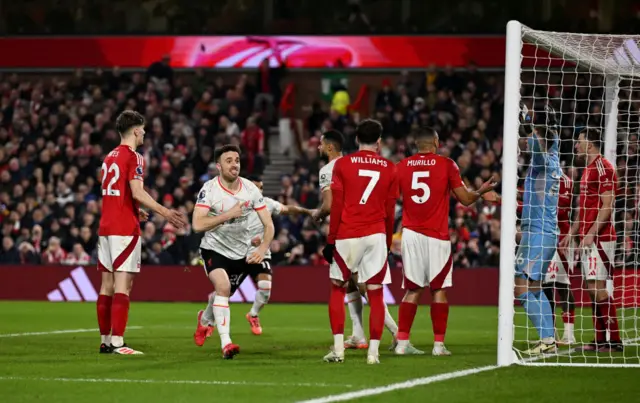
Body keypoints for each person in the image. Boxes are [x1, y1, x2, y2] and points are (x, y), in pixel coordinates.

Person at [395, 127, 497, 356]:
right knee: (438, 288)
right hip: (436, 235)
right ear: (435, 142)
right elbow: (466, 199)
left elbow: (391, 197)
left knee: (412, 289)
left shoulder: (401, 166)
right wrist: (481, 191)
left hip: (410, 233)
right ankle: (438, 346)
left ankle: (402, 343)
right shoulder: (446, 164)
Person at [97, 110, 188, 355]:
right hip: (124, 229)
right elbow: (137, 192)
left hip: (106, 226)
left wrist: (134, 210)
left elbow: (117, 193)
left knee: (106, 286)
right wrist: (165, 212)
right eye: (143, 129)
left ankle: (106, 340)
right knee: (122, 286)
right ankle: (118, 342)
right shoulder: (134, 156)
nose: (145, 133)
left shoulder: (109, 156)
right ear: (136, 130)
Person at [313, 129, 399, 351]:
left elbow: (330, 204)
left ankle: (396, 332)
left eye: (321, 144)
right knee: (352, 283)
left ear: (330, 147)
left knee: (359, 284)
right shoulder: (357, 164)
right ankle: (358, 335)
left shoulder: (329, 170)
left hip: (346, 231)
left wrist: (318, 214)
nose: (318, 148)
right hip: (370, 230)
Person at [191, 145, 275, 360]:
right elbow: (197, 224)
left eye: (236, 160)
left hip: (242, 251)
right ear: (219, 166)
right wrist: (227, 215)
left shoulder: (250, 189)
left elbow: (269, 224)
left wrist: (263, 248)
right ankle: (226, 343)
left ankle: (204, 320)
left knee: (225, 294)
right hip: (214, 248)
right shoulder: (209, 190)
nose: (234, 164)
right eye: (228, 160)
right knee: (223, 286)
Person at [560, 128, 622, 352]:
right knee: (590, 288)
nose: (576, 146)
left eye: (580, 142)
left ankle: (614, 341)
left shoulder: (604, 168)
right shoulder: (587, 170)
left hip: (600, 238)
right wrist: (572, 232)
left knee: (598, 288)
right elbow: (582, 208)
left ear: (591, 144)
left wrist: (591, 233)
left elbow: (608, 206)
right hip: (587, 237)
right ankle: (600, 340)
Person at [515, 104, 562, 356]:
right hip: (543, 233)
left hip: (538, 235)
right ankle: (548, 339)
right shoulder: (552, 161)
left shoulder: (545, 161)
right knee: (535, 287)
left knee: (521, 289)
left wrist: (527, 124)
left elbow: (534, 144)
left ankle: (547, 338)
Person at [542, 172, 577, 345]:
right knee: (545, 286)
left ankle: (569, 334)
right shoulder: (537, 178)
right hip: (544, 238)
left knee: (563, 285)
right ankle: (551, 333)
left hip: (563, 238)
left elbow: (565, 207)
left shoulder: (567, 181)